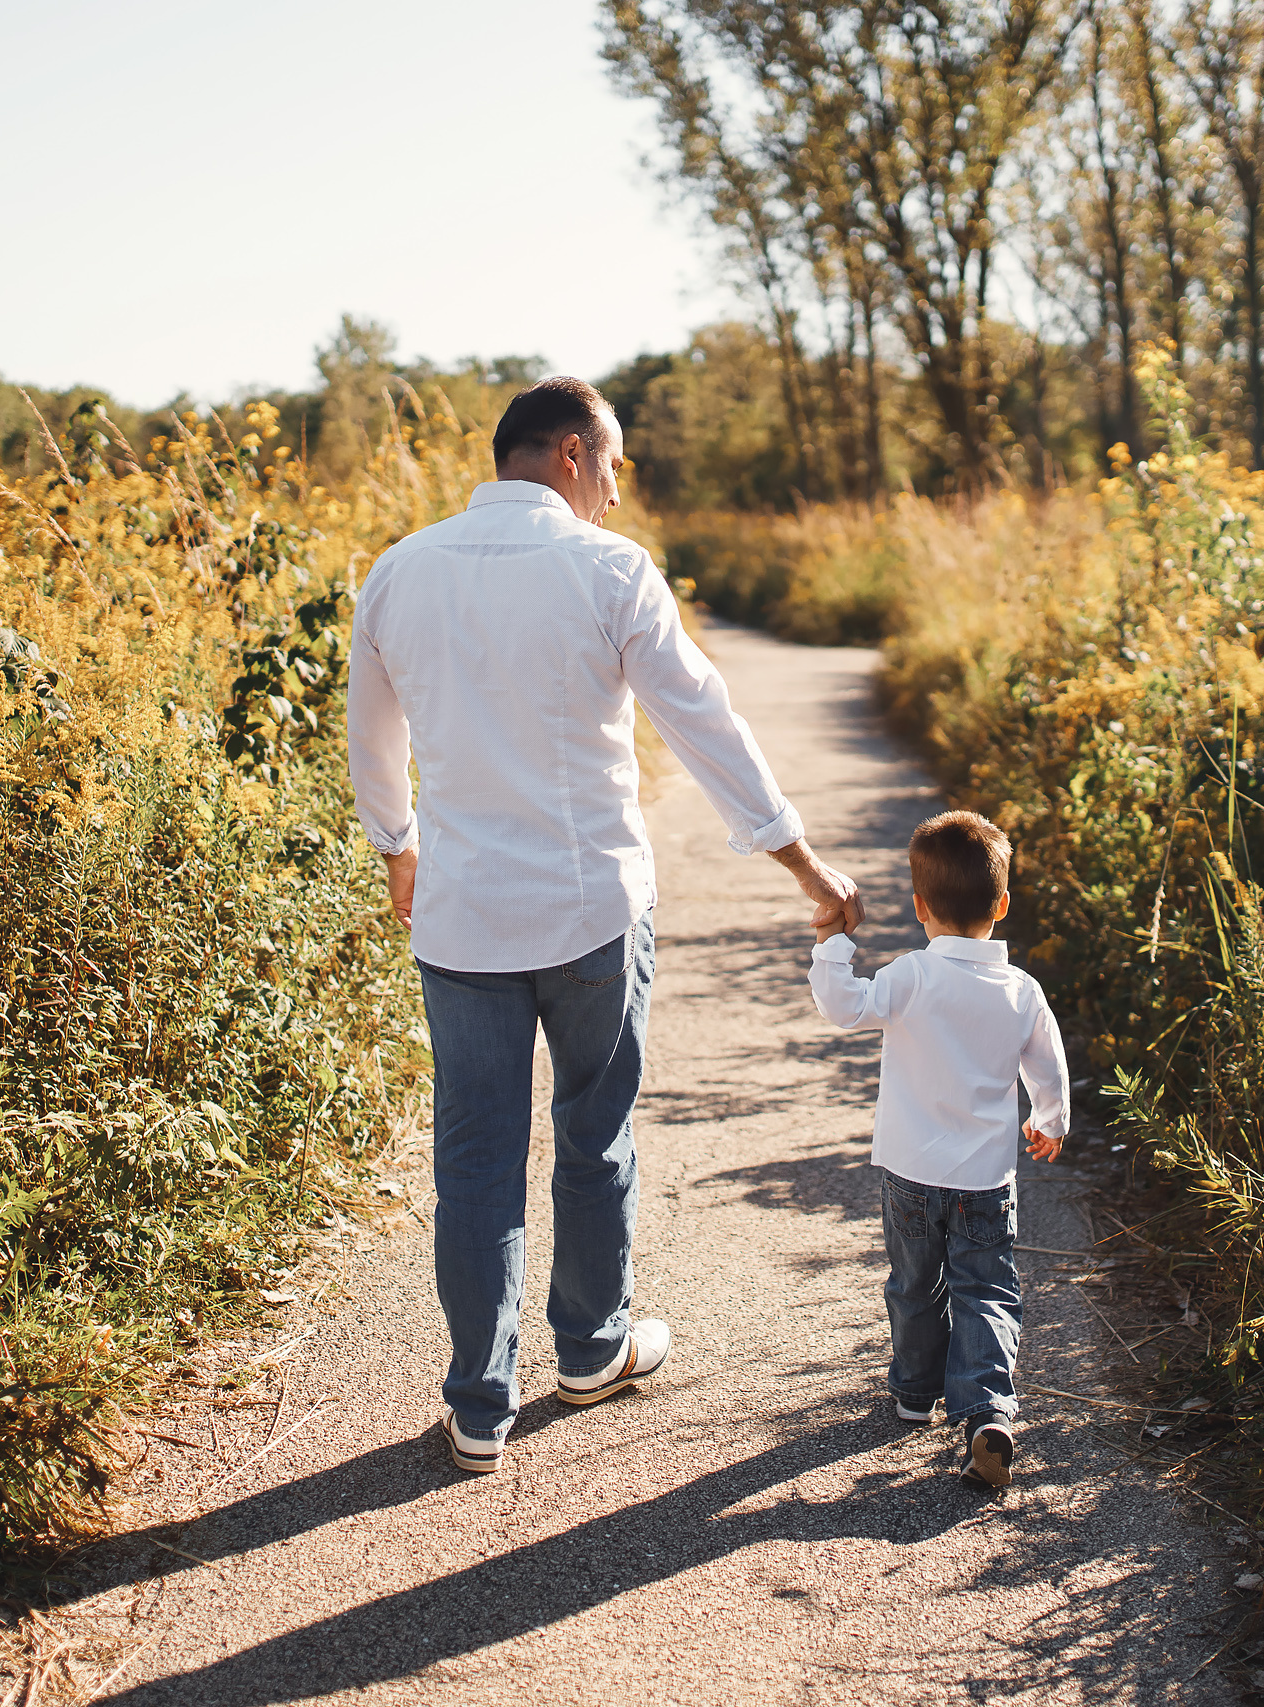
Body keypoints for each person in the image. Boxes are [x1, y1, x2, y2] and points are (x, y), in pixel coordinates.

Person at [347, 375, 865, 1474]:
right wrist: (803, 866)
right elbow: (704, 721)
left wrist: (399, 849)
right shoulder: (607, 571)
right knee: (592, 1132)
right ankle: (588, 1349)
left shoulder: (400, 572)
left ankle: (480, 1409)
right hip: (590, 913)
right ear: (575, 452)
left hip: (462, 919)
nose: (618, 493)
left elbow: (372, 735)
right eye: (616, 464)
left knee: (475, 1161)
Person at [805, 810, 1067, 1489]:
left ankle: (915, 1394)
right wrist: (1050, 1119)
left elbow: (845, 1007)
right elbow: (1048, 1066)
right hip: (985, 1178)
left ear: (920, 906)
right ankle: (986, 1411)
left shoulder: (912, 975)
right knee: (986, 1289)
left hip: (910, 1173)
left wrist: (834, 942)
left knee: (915, 1284)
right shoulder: (1022, 990)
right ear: (1003, 905)